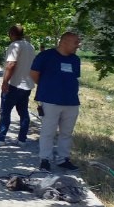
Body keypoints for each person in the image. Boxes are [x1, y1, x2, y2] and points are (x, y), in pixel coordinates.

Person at [30, 32, 82, 172]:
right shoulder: (45, 56)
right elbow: (34, 74)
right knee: (48, 132)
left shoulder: (75, 60)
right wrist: (46, 87)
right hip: (50, 100)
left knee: (66, 133)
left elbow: (73, 77)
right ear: (64, 42)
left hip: (71, 101)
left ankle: (63, 159)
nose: (78, 45)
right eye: (76, 42)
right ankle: (45, 160)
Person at [0, 25, 36, 147]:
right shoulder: (30, 46)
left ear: (11, 34)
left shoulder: (15, 45)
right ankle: (22, 139)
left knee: (5, 112)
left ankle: (0, 139)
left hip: (14, 85)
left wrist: (4, 82)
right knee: (24, 113)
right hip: (27, 85)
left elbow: (11, 65)